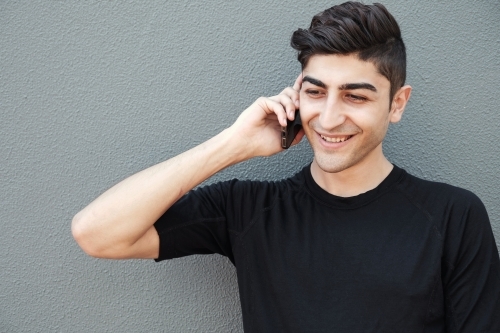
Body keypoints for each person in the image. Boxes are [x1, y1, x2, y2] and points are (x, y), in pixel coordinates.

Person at [72, 2, 500, 332]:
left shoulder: (453, 216)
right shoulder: (249, 210)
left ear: (397, 104)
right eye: (316, 92)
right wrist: (233, 145)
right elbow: (96, 233)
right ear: (298, 96)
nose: (329, 117)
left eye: (356, 96)